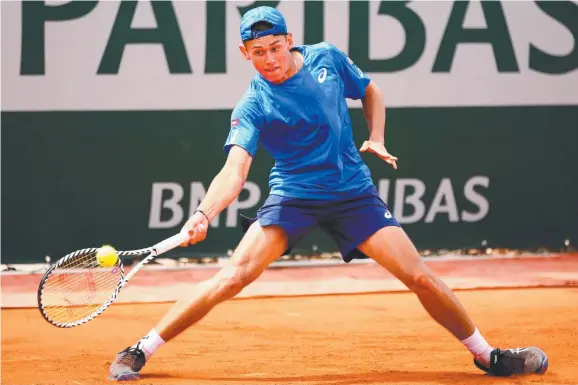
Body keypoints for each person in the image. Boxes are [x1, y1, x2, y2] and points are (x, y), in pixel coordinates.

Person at [109, 6, 548, 381]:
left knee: (419, 276)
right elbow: (234, 170)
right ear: (245, 54)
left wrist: (375, 135)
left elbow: (370, 90)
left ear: (290, 41)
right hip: (294, 196)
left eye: (275, 48)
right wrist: (204, 212)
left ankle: (487, 355)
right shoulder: (253, 104)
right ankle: (142, 348)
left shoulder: (327, 59)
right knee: (233, 276)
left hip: (352, 193)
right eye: (257, 53)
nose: (269, 60)